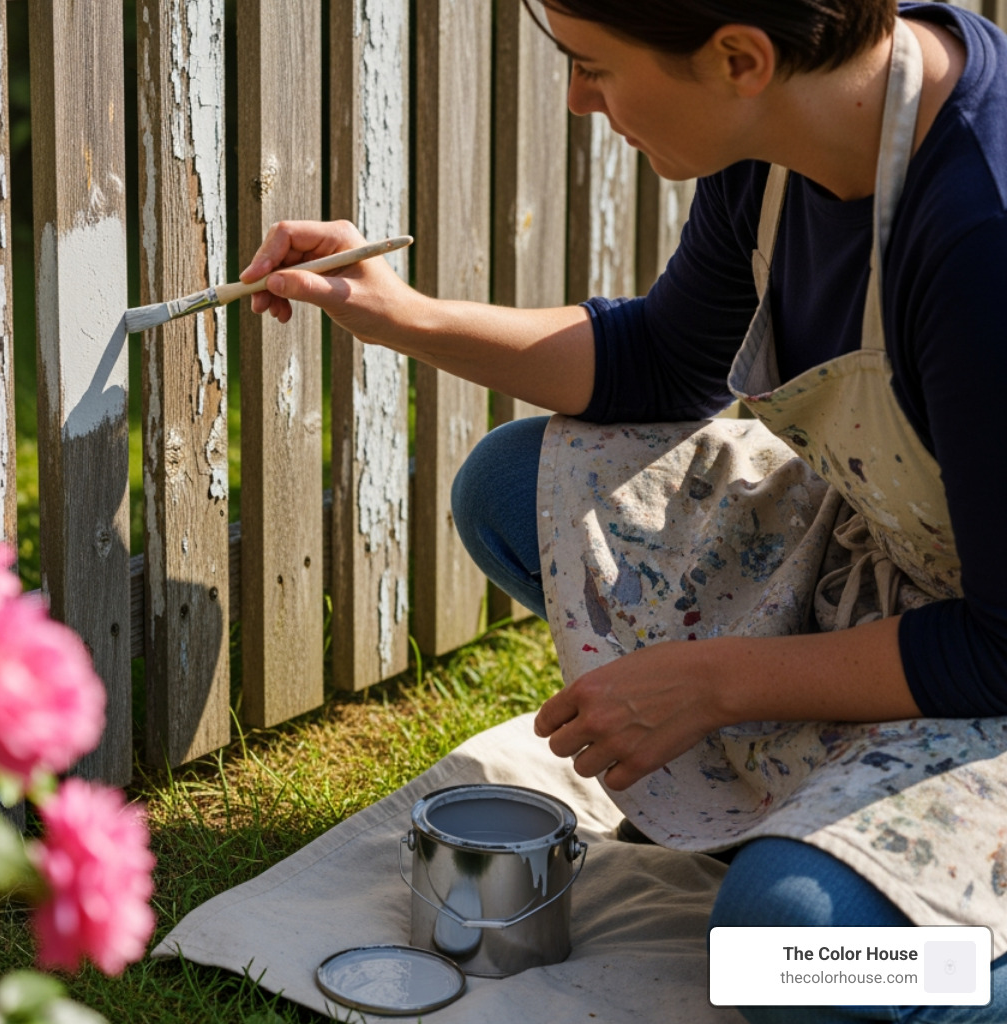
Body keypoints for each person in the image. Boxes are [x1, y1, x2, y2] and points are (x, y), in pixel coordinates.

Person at [238, 2, 1007, 1021]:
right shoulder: (781, 132)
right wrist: (400, 314)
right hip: (900, 557)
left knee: (787, 956)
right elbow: (661, 361)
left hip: (991, 651)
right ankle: (804, 808)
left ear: (740, 56)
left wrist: (717, 681)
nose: (577, 97)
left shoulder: (981, 239)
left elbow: (1003, 643)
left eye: (593, 66)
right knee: (513, 487)